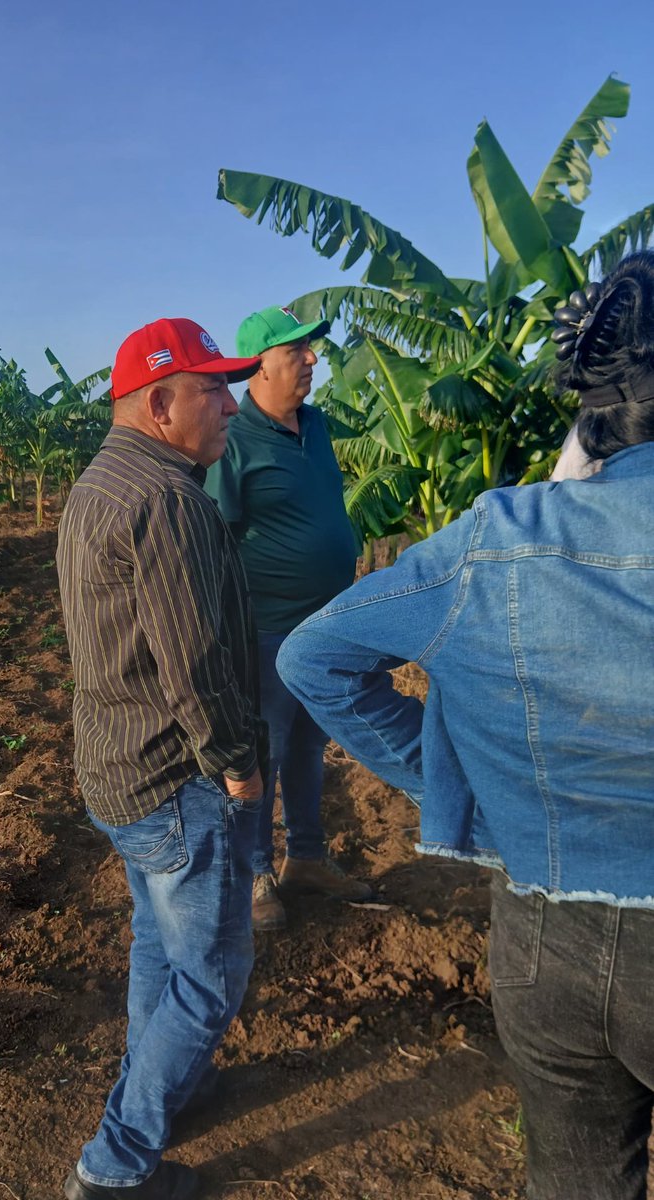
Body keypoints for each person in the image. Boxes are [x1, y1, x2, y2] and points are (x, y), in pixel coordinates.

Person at [276, 253, 654, 1199]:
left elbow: (313, 658)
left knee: (574, 1175)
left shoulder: (500, 534)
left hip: (542, 938)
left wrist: (457, 781)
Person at [57, 317, 265, 1200]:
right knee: (214, 977)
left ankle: (169, 1085)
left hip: (115, 769)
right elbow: (197, 663)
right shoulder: (168, 501)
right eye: (213, 389)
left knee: (157, 940)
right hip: (170, 777)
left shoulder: (100, 484)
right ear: (159, 402)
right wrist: (237, 760)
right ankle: (114, 1167)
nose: (229, 404)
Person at [205, 304, 371, 932]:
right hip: (267, 630)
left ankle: (306, 858)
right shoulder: (232, 439)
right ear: (258, 366)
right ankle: (253, 874)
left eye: (312, 349)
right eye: (297, 350)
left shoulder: (318, 425)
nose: (312, 359)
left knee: (309, 747)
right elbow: (219, 541)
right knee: (260, 758)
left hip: (325, 625)